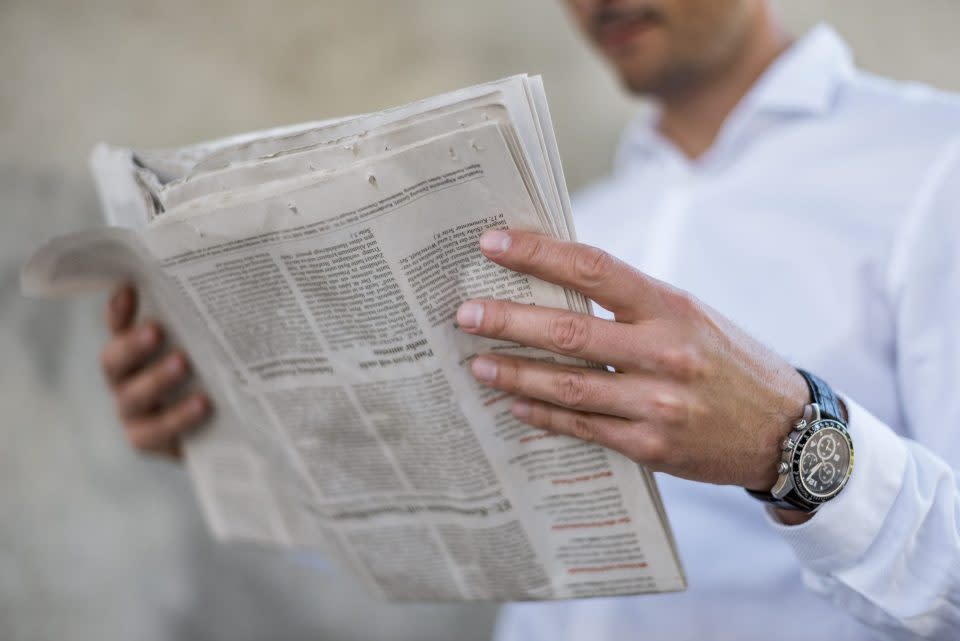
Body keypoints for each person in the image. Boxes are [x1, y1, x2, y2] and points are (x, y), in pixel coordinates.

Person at [99, 0, 960, 639]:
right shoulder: (566, 219)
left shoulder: (933, 163)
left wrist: (792, 440)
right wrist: (241, 436)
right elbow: (473, 531)